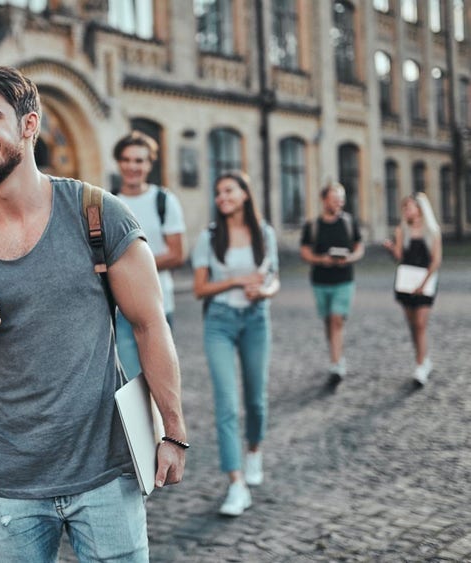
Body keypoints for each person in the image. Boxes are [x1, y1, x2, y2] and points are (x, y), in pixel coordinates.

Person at [0, 64, 187, 562]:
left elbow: (150, 325)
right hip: (11, 484)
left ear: (28, 124)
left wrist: (172, 430)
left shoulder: (97, 213)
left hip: (107, 472)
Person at [191, 171, 279, 517]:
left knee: (256, 399)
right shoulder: (210, 237)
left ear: (245, 193)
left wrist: (264, 290)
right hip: (220, 324)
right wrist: (237, 281)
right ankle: (236, 483)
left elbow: (272, 280)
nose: (222, 197)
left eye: (229, 190)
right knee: (227, 403)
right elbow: (200, 289)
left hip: (257, 319)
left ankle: (254, 450)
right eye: (218, 192)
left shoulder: (264, 233)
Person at [112, 131, 186, 380]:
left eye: (140, 161)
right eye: (127, 159)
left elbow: (176, 254)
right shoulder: (107, 202)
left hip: (159, 306)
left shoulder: (163, 200)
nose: (133, 166)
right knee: (132, 384)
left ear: (149, 164)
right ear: (119, 163)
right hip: (120, 310)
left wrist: (129, 267)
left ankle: (163, 422)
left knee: (160, 381)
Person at [300, 182, 364, 383]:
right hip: (320, 280)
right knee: (328, 321)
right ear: (324, 199)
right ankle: (336, 355)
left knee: (337, 319)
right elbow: (305, 251)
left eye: (342, 199)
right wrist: (321, 260)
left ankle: (336, 364)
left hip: (344, 279)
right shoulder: (313, 226)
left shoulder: (348, 222)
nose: (339, 203)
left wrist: (351, 258)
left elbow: (359, 246)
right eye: (335, 199)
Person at [382, 192, 442, 385]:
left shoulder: (432, 231)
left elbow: (436, 260)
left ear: (420, 209)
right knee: (412, 326)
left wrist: (423, 284)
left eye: (409, 206)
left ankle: (420, 366)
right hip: (406, 283)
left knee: (420, 324)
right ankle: (424, 359)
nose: (406, 210)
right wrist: (391, 248)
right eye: (404, 207)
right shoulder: (402, 230)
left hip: (425, 282)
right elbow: (399, 256)